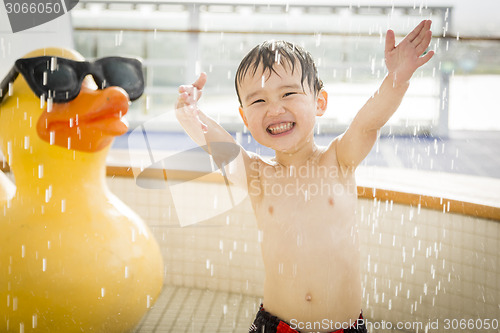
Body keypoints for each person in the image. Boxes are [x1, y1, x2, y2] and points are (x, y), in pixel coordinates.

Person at [175, 20, 434, 333]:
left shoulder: (338, 160)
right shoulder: (257, 175)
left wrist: (397, 78)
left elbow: (368, 123)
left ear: (319, 102)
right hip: (276, 324)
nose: (274, 108)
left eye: (288, 93)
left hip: (343, 326)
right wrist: (188, 113)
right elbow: (217, 145)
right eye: (258, 100)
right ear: (244, 116)